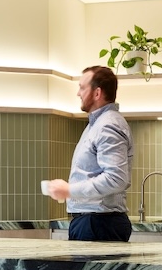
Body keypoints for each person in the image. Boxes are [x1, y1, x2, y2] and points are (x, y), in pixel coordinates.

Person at [46, 66, 134, 241]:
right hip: (93, 223)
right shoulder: (96, 124)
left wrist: (69, 190)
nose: (78, 93)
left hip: (99, 224)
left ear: (97, 93)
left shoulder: (108, 126)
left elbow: (116, 178)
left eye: (82, 87)